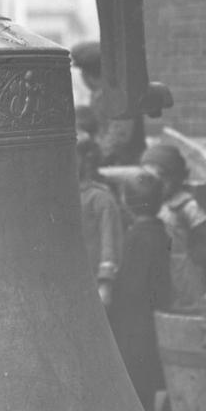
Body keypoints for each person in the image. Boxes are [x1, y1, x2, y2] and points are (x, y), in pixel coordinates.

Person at [108, 170, 172, 411]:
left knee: (137, 369)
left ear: (126, 202)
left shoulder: (136, 236)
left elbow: (132, 283)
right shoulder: (160, 232)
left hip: (135, 317)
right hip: (155, 310)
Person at [140, 143, 206, 307]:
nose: (156, 187)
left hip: (184, 271)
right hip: (160, 268)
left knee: (187, 304)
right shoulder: (151, 206)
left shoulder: (185, 205)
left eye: (161, 180)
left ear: (175, 179)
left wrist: (193, 259)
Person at [69, 41, 146, 165]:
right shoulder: (99, 95)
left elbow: (119, 138)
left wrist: (95, 159)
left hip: (125, 164)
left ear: (88, 75)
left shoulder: (117, 98)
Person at [76, 132, 123, 310]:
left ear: (87, 160)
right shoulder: (58, 195)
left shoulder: (100, 198)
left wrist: (105, 284)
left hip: (92, 284)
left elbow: (109, 243)